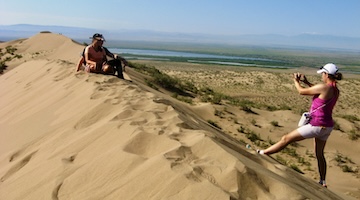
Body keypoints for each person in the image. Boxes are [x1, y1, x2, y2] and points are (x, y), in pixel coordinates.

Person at [257, 63, 342, 188]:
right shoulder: (335, 89)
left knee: (286, 139)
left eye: (322, 74)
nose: (321, 77)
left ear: (326, 74)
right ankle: (322, 181)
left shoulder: (325, 88)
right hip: (327, 127)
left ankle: (263, 154)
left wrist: (296, 81)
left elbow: (301, 92)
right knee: (319, 154)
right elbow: (318, 90)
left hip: (317, 125)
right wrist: (307, 82)